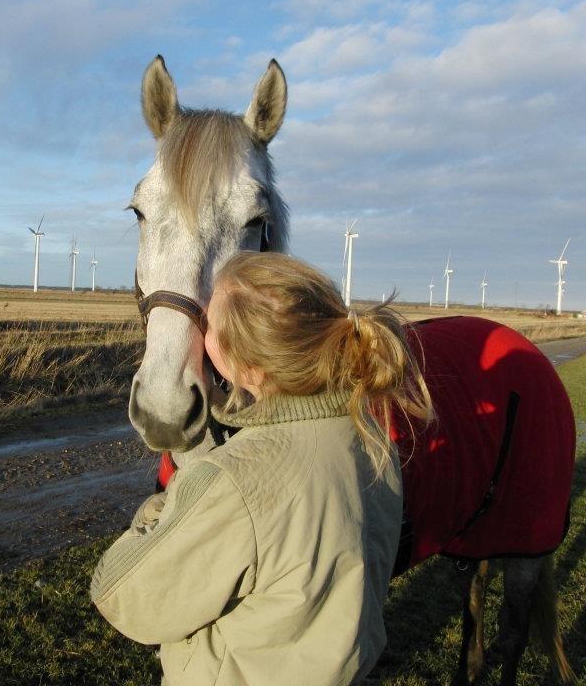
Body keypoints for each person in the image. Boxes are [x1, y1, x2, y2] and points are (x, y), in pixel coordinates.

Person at [90, 251, 434, 685]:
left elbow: (122, 596)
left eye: (207, 324)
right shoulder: (368, 438)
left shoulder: (235, 481)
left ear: (246, 367)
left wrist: (159, 513)